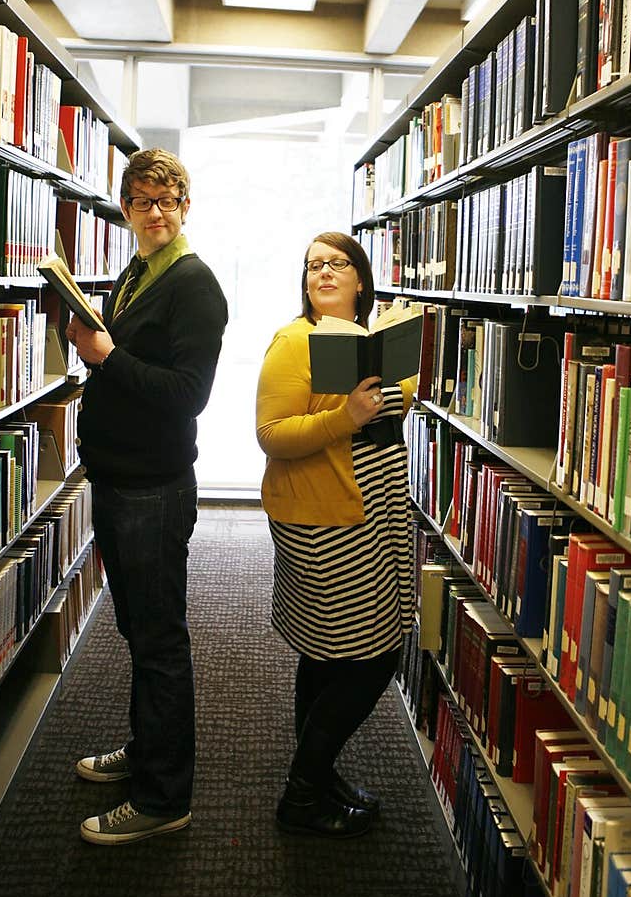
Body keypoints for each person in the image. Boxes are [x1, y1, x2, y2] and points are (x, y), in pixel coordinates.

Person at [65, 146, 228, 845]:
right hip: (117, 478)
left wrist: (107, 358)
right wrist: (98, 354)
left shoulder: (195, 287)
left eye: (168, 200)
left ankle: (165, 798)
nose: (155, 212)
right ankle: (146, 752)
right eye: (142, 201)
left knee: (160, 641)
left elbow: (187, 396)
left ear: (185, 207)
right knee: (137, 633)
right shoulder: (135, 273)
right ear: (125, 209)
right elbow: (127, 365)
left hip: (155, 491)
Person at [255, 231, 416, 838]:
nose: (322, 272)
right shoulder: (293, 342)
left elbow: (393, 416)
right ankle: (301, 793)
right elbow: (271, 434)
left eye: (336, 264)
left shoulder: (376, 345)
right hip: (321, 519)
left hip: (375, 513)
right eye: (312, 266)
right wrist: (341, 416)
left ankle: (318, 777)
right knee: (371, 657)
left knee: (328, 655)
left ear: (361, 280)